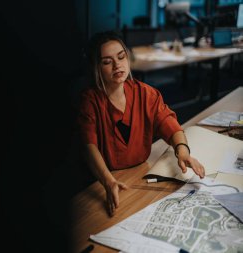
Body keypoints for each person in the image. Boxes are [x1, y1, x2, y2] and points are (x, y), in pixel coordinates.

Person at [77, 30, 205, 217]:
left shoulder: (146, 94)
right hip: (106, 181)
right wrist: (108, 181)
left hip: (140, 175)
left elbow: (169, 124)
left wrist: (183, 151)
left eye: (121, 57)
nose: (117, 65)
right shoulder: (90, 101)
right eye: (107, 62)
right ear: (96, 68)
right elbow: (89, 145)